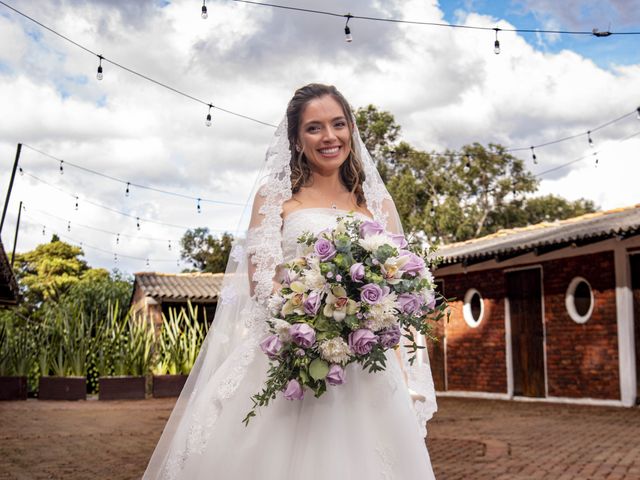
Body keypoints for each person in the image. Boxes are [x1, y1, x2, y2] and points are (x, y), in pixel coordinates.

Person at [142, 83, 437, 479]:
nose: (329, 137)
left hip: (366, 367)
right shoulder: (276, 198)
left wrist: (396, 363)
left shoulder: (377, 204)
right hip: (292, 354)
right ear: (296, 140)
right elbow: (262, 283)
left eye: (338, 124)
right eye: (314, 128)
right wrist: (315, 318)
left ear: (351, 129)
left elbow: (396, 291)